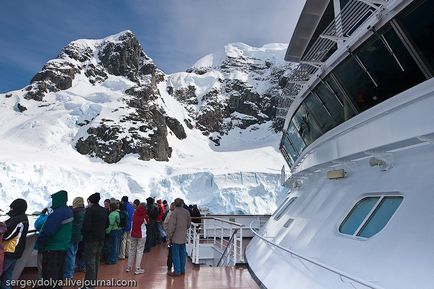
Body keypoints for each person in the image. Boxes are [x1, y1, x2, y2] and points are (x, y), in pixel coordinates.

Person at [37, 190, 73, 289]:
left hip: (52, 248)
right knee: (58, 273)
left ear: (58, 199)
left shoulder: (58, 213)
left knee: (50, 275)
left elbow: (48, 231)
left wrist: (39, 241)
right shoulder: (67, 210)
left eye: (53, 199)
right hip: (62, 246)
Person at [1, 199, 29, 289]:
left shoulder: (19, 220)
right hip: (14, 251)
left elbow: (7, 235)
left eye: (12, 207)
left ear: (16, 208)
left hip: (10, 250)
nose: (10, 209)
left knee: (3, 272)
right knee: (8, 275)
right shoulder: (20, 218)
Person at [82, 193, 107, 289]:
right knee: (96, 260)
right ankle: (93, 282)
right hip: (101, 238)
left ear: (90, 201)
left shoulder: (89, 210)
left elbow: (86, 226)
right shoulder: (103, 210)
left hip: (91, 239)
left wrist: (84, 234)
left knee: (90, 262)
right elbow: (107, 224)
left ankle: (88, 284)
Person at [167, 198, 191, 277]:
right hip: (183, 237)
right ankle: (182, 270)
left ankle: (177, 271)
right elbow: (188, 224)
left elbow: (171, 227)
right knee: (183, 254)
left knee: (175, 255)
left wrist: (169, 237)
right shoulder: (186, 212)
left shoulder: (174, 213)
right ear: (182, 203)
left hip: (175, 238)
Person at [63, 197, 85, 279]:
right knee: (73, 253)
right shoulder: (84, 211)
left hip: (72, 236)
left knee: (70, 255)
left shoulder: (75, 212)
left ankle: (68, 274)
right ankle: (72, 270)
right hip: (79, 236)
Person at [126, 203, 148, 275]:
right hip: (142, 235)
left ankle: (129, 267)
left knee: (132, 250)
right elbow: (147, 222)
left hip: (133, 234)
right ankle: (137, 268)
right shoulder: (145, 216)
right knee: (139, 251)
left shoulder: (134, 214)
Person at [34, 203, 51, 280]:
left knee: (41, 263)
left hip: (44, 244)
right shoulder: (61, 216)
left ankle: (42, 280)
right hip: (56, 245)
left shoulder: (49, 217)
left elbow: (37, 224)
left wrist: (42, 213)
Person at [163, 202, 175, 273]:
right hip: (177, 236)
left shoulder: (169, 214)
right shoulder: (178, 214)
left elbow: (165, 223)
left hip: (170, 237)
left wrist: (167, 231)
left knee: (170, 252)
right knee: (177, 252)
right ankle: (177, 267)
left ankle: (169, 267)